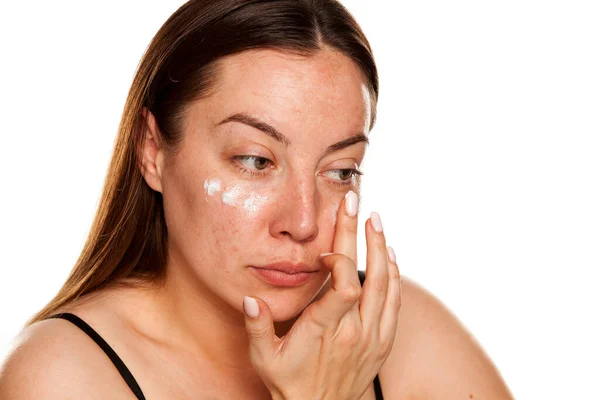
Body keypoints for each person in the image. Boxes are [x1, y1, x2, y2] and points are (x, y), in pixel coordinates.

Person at [0, 0, 513, 398]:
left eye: (340, 170)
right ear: (152, 151)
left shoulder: (400, 334)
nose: (304, 222)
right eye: (255, 161)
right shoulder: (64, 375)